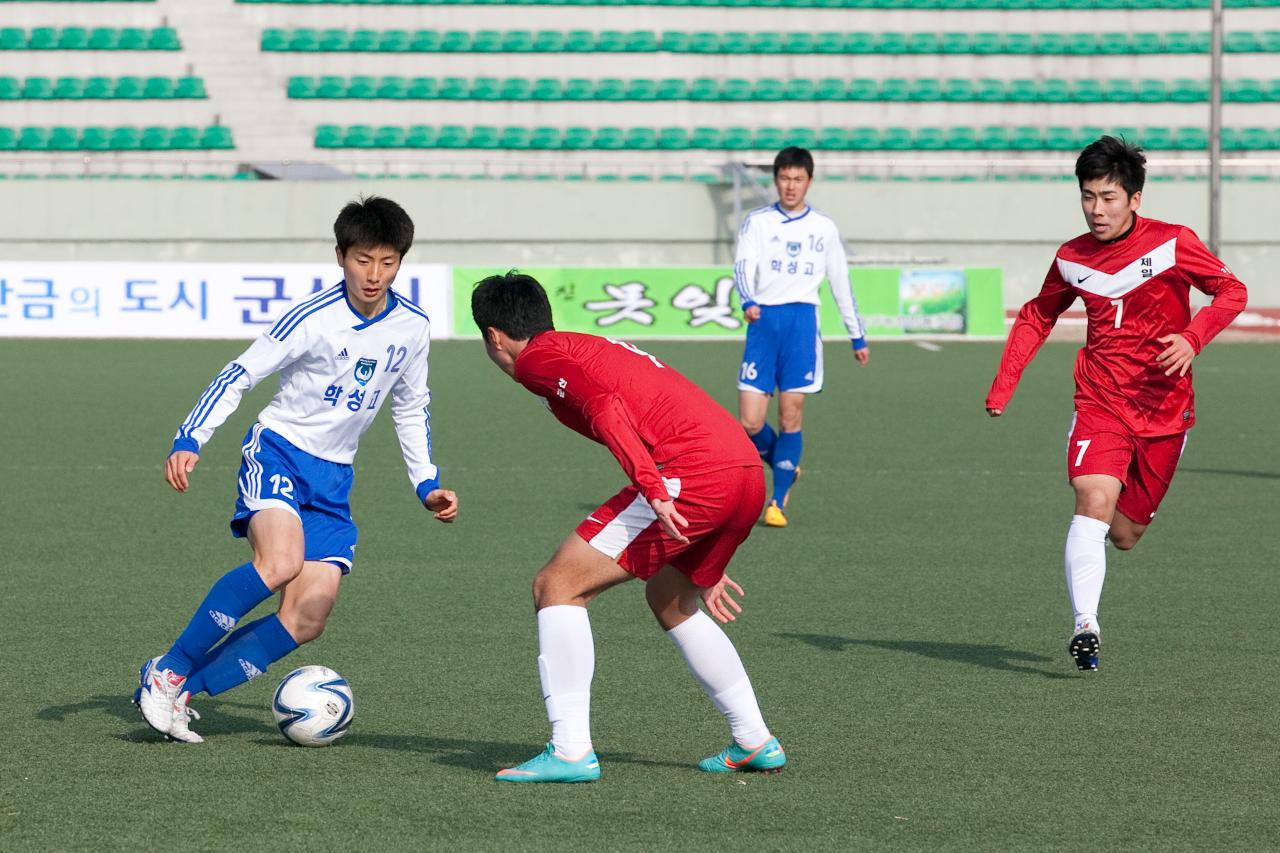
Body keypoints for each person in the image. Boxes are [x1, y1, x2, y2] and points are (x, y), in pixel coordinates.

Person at [135, 196, 458, 743]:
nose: (373, 274)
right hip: (279, 451)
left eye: (386, 262)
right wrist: (192, 435)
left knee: (308, 619)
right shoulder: (312, 318)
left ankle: (183, 692)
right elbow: (240, 373)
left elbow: (411, 405)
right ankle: (168, 667)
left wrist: (426, 482)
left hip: (334, 479)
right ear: (340, 256)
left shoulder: (412, 327)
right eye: (362, 260)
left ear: (401, 261)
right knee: (279, 562)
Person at [472, 271, 785, 783]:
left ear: (494, 336)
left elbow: (604, 406)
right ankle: (753, 739)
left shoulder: (535, 359)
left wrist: (656, 489)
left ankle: (571, 750)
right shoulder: (579, 346)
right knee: (671, 596)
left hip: (694, 473)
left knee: (557, 585)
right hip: (745, 473)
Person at [985, 136, 1247, 672]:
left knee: (1123, 535)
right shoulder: (1071, 257)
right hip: (1100, 401)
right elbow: (1038, 316)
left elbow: (1232, 292)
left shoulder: (1174, 243)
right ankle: (1086, 626)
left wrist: (1192, 338)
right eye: (1088, 197)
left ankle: (1094, 568)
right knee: (1092, 500)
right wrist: (1003, 385)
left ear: (1134, 198)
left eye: (1108, 197)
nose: (1096, 209)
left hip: (1165, 411)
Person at [734, 146, 870, 528]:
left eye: (798, 179)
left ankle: (777, 501)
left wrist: (856, 336)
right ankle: (786, 466)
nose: (790, 186)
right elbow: (743, 263)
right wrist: (747, 299)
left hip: (801, 324)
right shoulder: (757, 222)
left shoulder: (823, 228)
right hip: (764, 323)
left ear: (808, 181)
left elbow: (840, 282)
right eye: (784, 178)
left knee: (790, 413)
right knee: (749, 422)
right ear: (775, 180)